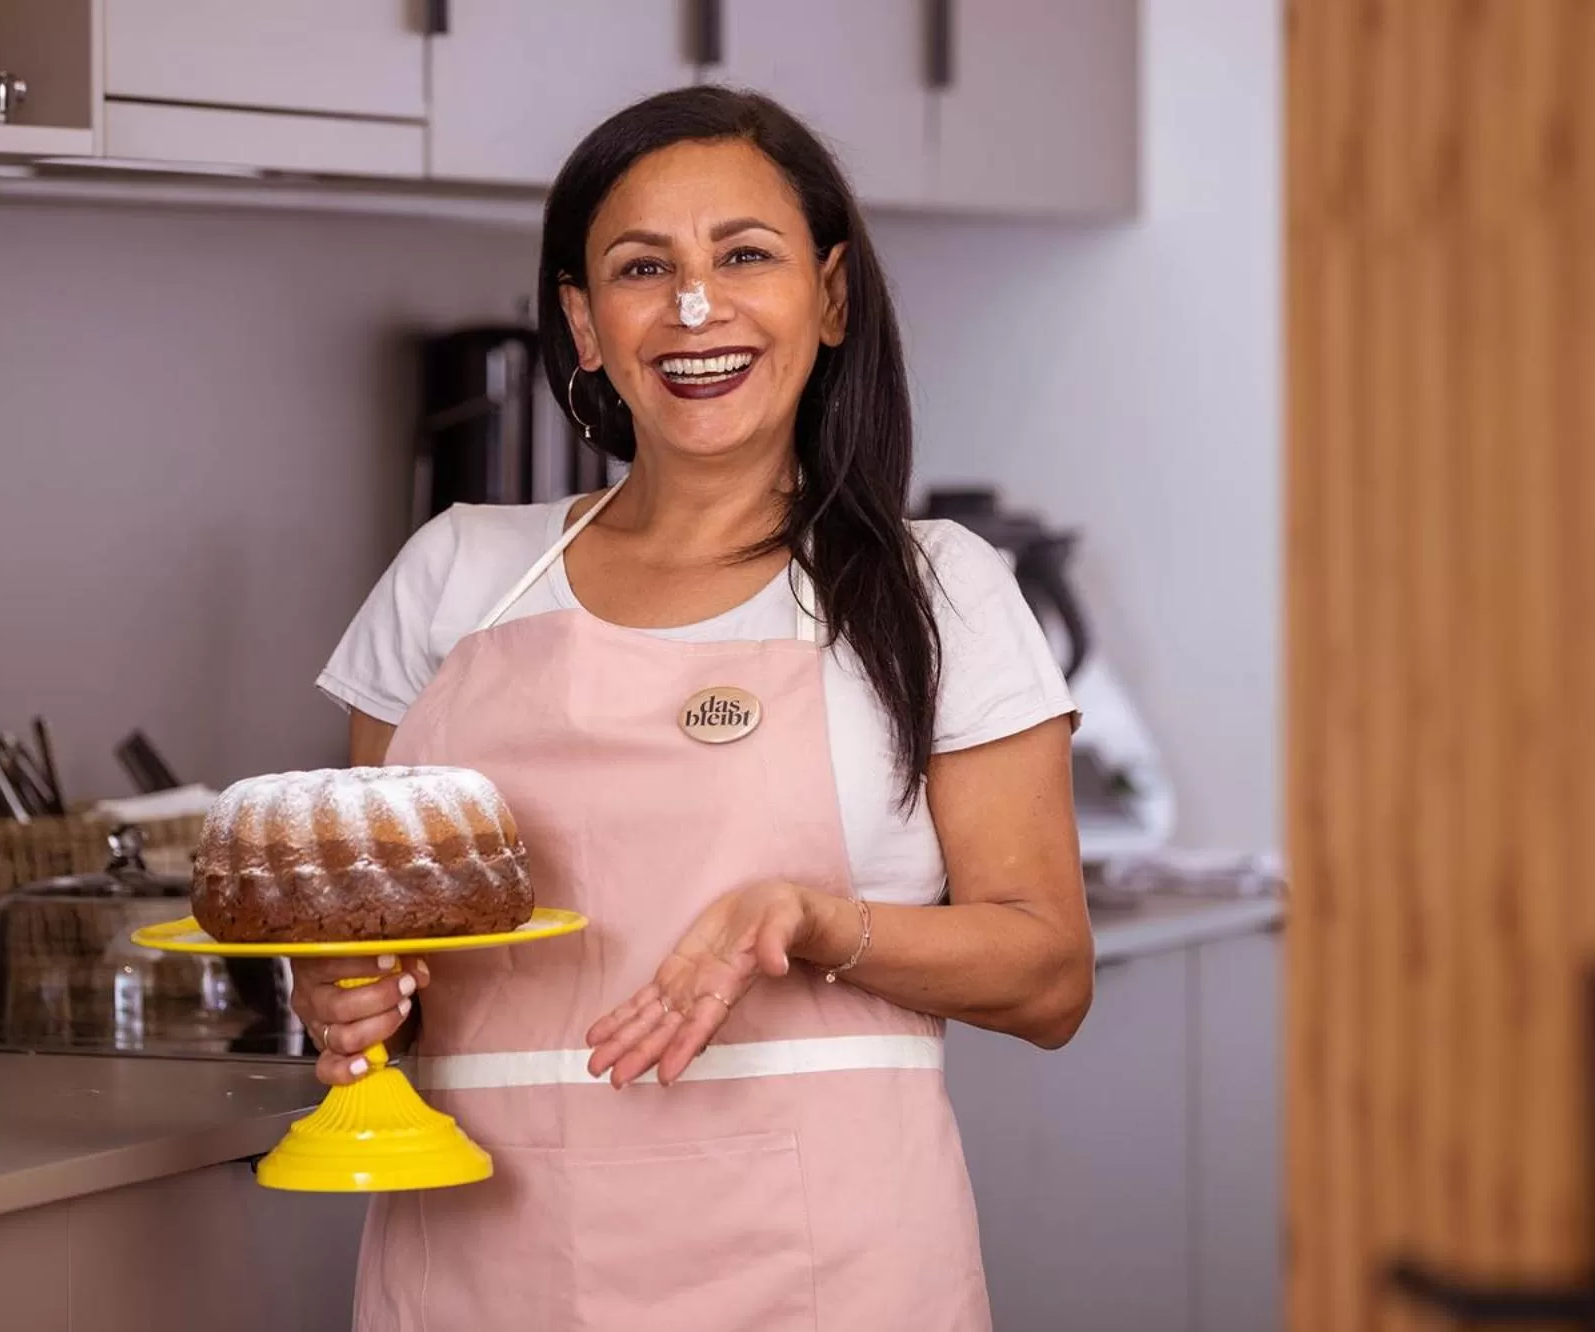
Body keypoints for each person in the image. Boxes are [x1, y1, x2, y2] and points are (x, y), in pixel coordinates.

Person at [297, 85, 1094, 1331]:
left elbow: (1048, 974)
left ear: (828, 298)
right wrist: (343, 999)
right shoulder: (454, 574)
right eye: (640, 267)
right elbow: (355, 930)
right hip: (480, 1255)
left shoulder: (935, 589)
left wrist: (819, 923)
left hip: (822, 1266)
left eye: (743, 255)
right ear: (582, 321)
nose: (693, 306)